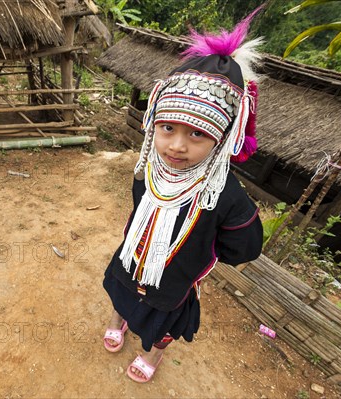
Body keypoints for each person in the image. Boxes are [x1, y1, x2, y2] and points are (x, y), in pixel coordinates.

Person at [102, 10, 264, 384]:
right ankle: (119, 321)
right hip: (131, 260)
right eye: (168, 128)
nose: (176, 146)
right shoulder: (147, 170)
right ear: (153, 123)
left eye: (197, 135)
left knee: (163, 326)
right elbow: (138, 204)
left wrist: (197, 253)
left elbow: (245, 247)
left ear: (222, 138)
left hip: (175, 282)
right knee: (121, 294)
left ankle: (151, 356)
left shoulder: (225, 195)